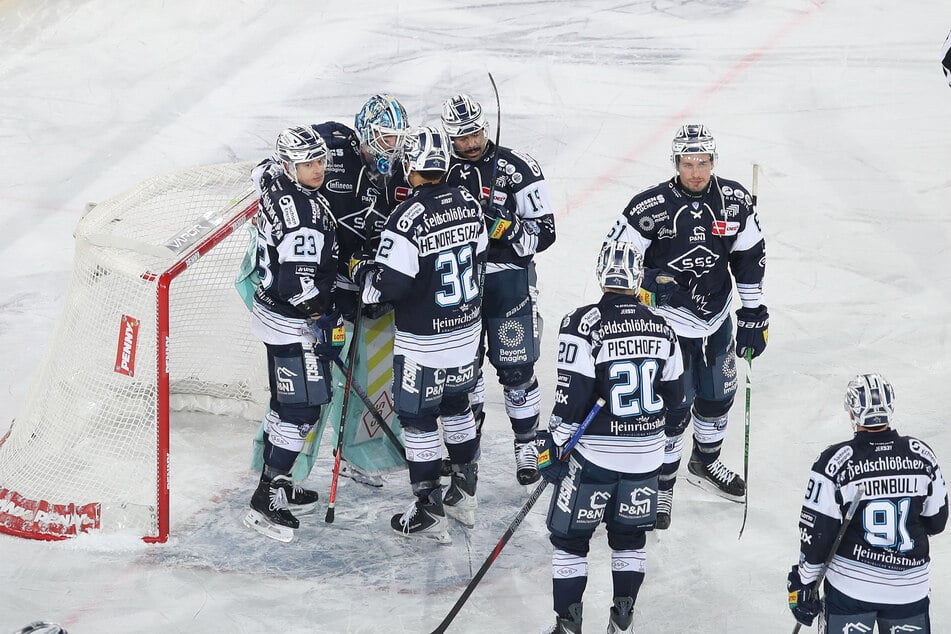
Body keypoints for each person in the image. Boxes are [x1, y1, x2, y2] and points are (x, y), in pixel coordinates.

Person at [603, 123, 767, 529]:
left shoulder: (734, 201)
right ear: (675, 162)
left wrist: (753, 312)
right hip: (669, 328)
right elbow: (610, 261)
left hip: (717, 319)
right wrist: (651, 287)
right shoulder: (648, 207)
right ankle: (663, 484)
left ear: (714, 161)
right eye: (688, 163)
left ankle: (705, 462)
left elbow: (749, 257)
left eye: (703, 162)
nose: (696, 171)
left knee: (717, 398)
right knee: (672, 408)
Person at [249, 94, 412, 488]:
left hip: (356, 285)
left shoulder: (402, 169)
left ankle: (361, 456)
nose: (395, 147)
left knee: (367, 377)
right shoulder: (332, 143)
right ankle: (282, 474)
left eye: (399, 138)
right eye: (387, 138)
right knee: (306, 390)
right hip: (306, 290)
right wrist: (282, 197)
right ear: (367, 133)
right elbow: (266, 170)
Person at [537, 242, 685, 634]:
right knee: (630, 540)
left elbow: (571, 400)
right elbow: (678, 402)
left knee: (569, 542)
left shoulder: (581, 323)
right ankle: (623, 620)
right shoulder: (664, 327)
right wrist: (663, 457)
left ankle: (568, 625)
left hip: (595, 459)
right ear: (638, 279)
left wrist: (552, 447)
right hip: (647, 458)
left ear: (601, 274)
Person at [352, 126, 488, 542]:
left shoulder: (407, 217)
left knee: (418, 420)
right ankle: (464, 494)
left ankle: (429, 507)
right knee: (458, 407)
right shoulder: (469, 202)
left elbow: (387, 288)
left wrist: (360, 270)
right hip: (466, 335)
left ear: (410, 166)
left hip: (424, 344)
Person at [440, 93, 557, 486]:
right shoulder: (439, 168)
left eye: (475, 132)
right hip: (460, 285)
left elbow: (547, 233)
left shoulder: (518, 168)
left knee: (517, 367)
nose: (470, 143)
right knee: (463, 371)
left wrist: (506, 226)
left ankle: (526, 444)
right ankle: (465, 447)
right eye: (461, 137)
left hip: (510, 281)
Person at [787, 373, 948, 632]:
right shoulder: (922, 456)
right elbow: (936, 520)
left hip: (851, 590)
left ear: (852, 413)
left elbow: (818, 534)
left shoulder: (836, 461)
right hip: (909, 590)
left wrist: (803, 583)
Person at [243, 126, 343, 542]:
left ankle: (278, 479)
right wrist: (324, 317)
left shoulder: (273, 180)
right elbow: (295, 286)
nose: (318, 169)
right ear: (290, 166)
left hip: (271, 315)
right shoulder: (303, 218)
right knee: (301, 410)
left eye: (320, 161)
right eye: (308, 164)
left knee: (286, 403)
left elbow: (257, 171)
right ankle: (267, 495)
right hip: (291, 321)